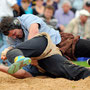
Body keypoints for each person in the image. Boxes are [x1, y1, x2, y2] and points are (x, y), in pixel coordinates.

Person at [0, 32, 90, 81]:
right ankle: (17, 56)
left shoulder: (26, 21)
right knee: (70, 70)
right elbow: (23, 74)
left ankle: (17, 56)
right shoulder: (14, 47)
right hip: (44, 56)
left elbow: (33, 30)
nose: (14, 37)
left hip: (45, 46)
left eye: (14, 33)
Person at [0, 14, 90, 62]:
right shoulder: (11, 37)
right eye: (11, 36)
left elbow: (33, 34)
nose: (15, 37)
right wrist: (7, 51)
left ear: (17, 24)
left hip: (60, 42)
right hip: (46, 56)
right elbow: (13, 46)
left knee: (87, 47)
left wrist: (14, 52)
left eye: (15, 33)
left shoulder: (27, 18)